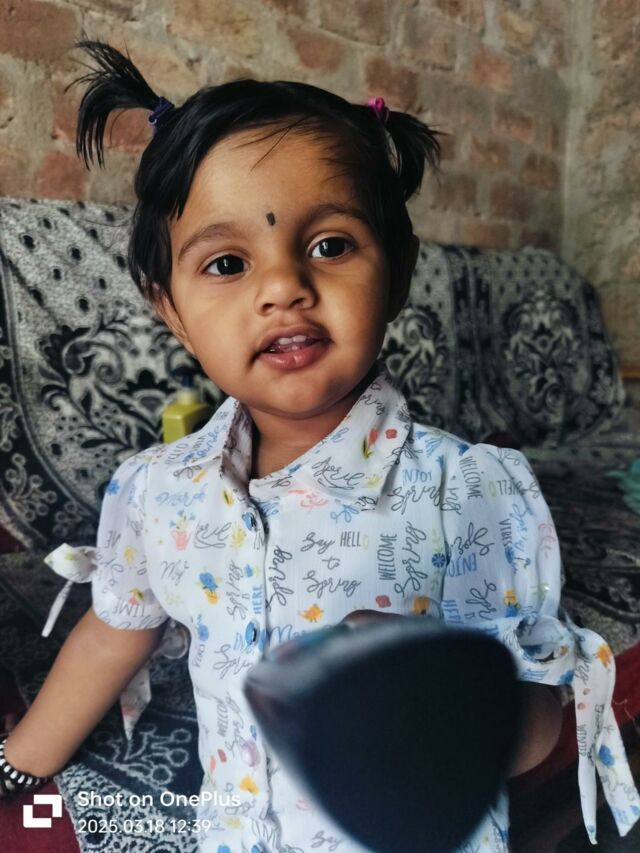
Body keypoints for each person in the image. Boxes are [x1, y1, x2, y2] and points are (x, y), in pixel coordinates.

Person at [1, 38, 639, 853]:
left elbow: (539, 715)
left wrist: (443, 692)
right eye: (227, 262)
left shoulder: (469, 491)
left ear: (397, 270)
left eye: (330, 245)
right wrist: (18, 765)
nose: (283, 287)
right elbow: (115, 629)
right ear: (171, 311)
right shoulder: (157, 491)